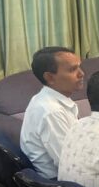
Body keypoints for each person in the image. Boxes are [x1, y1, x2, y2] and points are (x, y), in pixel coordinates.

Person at [20, 46, 84, 179]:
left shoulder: (47, 98)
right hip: (63, 182)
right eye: (72, 69)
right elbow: (72, 165)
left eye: (79, 67)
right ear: (50, 77)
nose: (81, 74)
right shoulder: (51, 112)